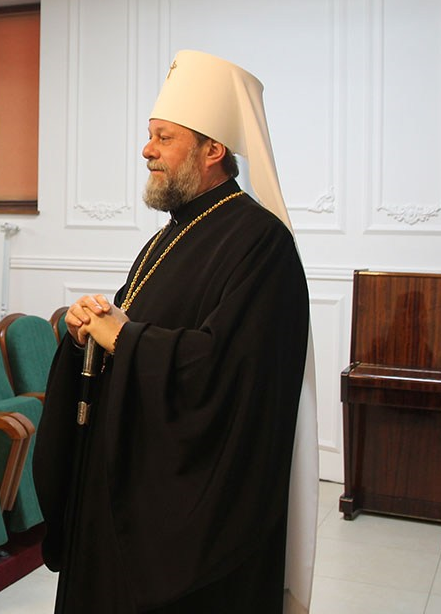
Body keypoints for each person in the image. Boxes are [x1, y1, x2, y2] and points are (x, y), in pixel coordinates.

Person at [34, 50, 318, 613]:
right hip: (119, 487)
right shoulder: (169, 235)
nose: (147, 150)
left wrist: (125, 338)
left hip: (182, 523)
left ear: (213, 150)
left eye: (163, 138)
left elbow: (231, 372)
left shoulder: (262, 242)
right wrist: (84, 331)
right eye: (150, 136)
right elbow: (126, 326)